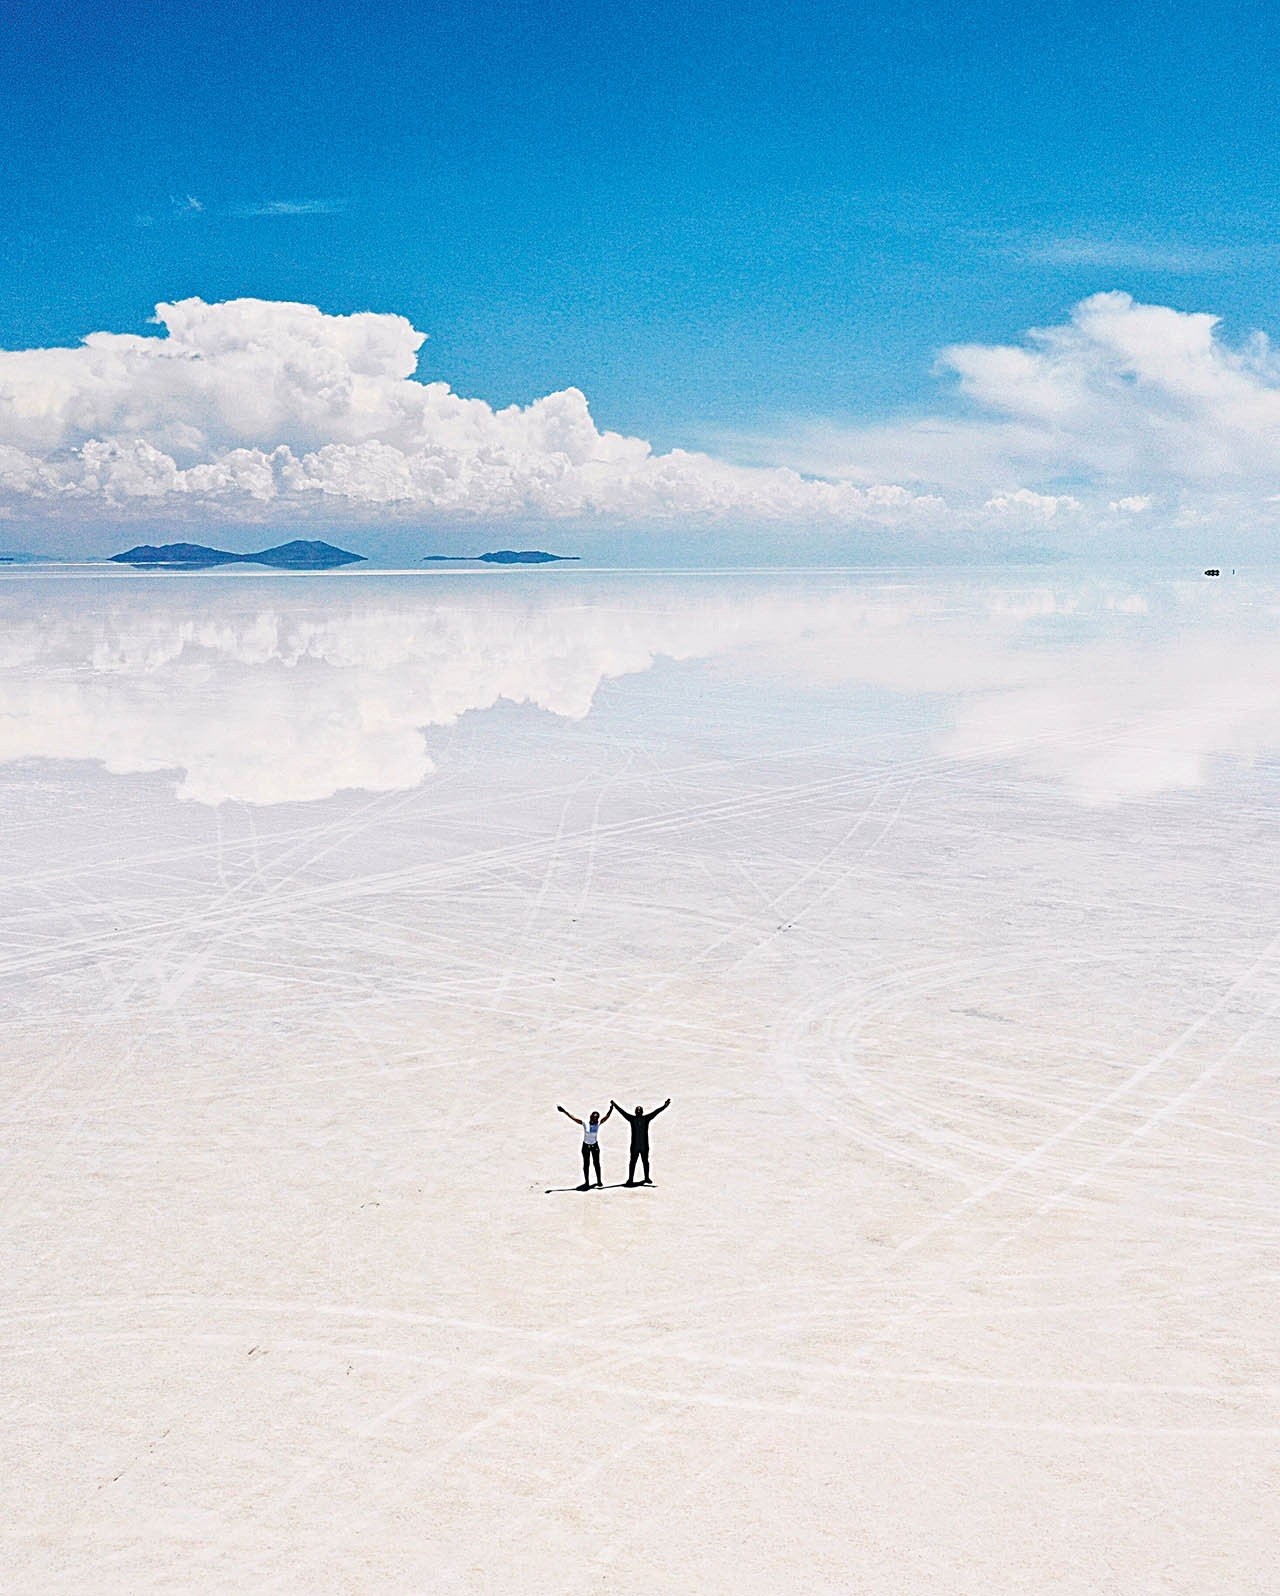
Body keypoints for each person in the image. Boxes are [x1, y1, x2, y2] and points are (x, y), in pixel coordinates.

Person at [610, 1098, 670, 1185]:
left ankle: (646, 1178)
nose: (638, 1111)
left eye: (639, 1110)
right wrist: (615, 1105)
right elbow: (622, 1112)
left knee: (645, 1162)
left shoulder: (646, 1118)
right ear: (635, 1112)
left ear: (642, 1112)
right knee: (632, 1162)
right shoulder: (632, 1118)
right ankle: (630, 1179)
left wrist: (664, 1106)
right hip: (634, 1146)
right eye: (637, 1110)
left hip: (644, 1145)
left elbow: (656, 1112)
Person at [557, 1103, 612, 1189]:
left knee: (596, 1163)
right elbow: (573, 1118)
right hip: (586, 1146)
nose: (595, 1119)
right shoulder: (585, 1123)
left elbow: (606, 1117)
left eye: (597, 1117)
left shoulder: (598, 1124)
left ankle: (599, 1180)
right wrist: (564, 1111)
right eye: (594, 1117)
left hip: (594, 1146)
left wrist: (611, 1109)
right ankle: (587, 1182)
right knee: (586, 1164)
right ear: (590, 1117)